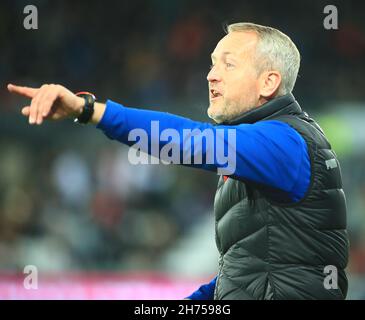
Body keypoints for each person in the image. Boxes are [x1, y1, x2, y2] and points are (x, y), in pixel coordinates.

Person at [7, 22, 349, 300]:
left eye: (228, 64)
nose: (211, 75)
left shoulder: (284, 142)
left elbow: (189, 141)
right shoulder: (258, 152)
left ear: (268, 82)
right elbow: (247, 277)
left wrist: (89, 110)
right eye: (213, 63)